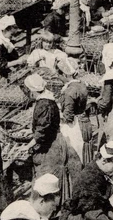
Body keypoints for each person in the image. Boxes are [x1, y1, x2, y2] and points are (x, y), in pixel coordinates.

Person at [25, 74, 82, 206]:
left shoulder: (44, 104)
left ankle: (49, 208)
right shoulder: (47, 100)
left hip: (51, 146)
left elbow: (42, 130)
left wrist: (28, 145)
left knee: (47, 178)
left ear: (32, 90)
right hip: (55, 140)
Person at [58, 65, 95, 166]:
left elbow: (68, 116)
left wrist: (58, 114)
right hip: (83, 119)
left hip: (75, 125)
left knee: (74, 151)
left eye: (60, 75)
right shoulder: (82, 84)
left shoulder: (70, 91)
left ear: (65, 74)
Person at [0, 15, 26, 82]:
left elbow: (12, 58)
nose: (12, 37)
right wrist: (18, 61)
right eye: (11, 35)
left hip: (5, 71)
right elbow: (0, 65)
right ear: (5, 30)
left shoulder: (6, 42)